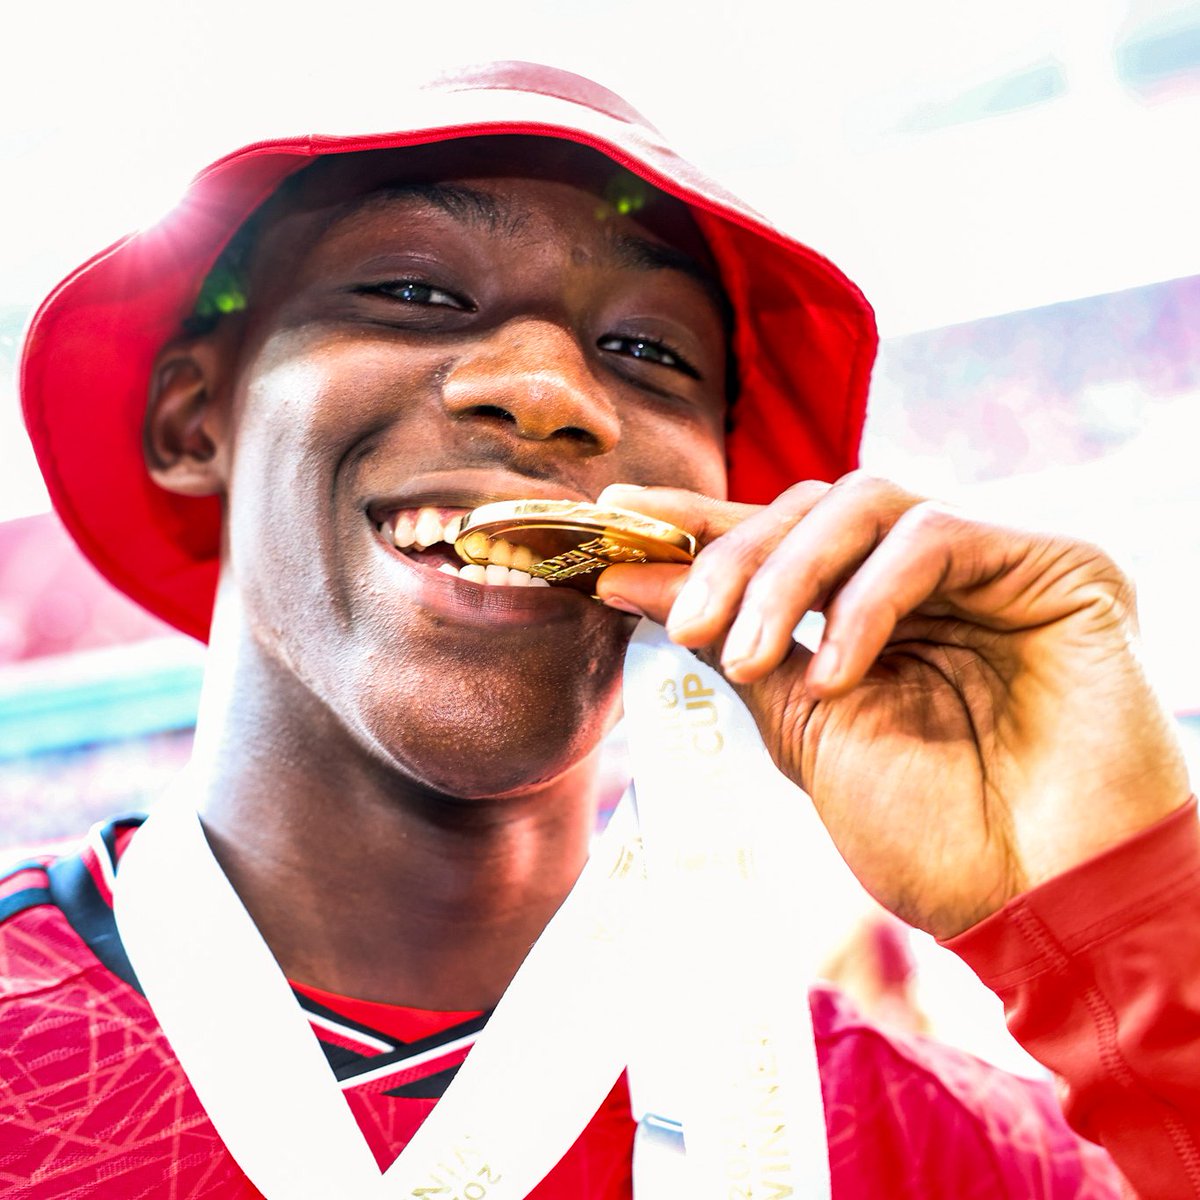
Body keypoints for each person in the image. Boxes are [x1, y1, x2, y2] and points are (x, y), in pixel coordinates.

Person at [4, 61, 1198, 1198]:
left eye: (647, 352)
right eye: (415, 290)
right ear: (191, 416)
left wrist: (1126, 908)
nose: (547, 391)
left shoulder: (938, 1150)